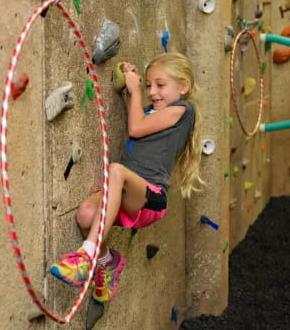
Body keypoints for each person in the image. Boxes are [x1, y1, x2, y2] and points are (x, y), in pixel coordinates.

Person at [50, 52, 204, 303]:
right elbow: (139, 122)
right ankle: (107, 261)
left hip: (149, 196)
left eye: (161, 85)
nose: (153, 92)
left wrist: (136, 91)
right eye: (149, 85)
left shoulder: (184, 109)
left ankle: (86, 255)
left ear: (183, 86)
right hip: (123, 190)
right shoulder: (152, 112)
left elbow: (136, 128)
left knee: (116, 170)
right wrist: (129, 87)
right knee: (86, 215)